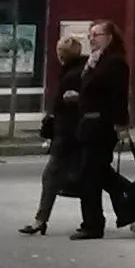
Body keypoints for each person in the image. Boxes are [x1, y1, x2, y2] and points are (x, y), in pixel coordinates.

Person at [67, 19, 130, 239]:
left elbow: (118, 95)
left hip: (101, 126)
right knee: (101, 173)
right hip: (88, 124)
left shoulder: (115, 62)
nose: (92, 39)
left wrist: (121, 124)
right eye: (90, 35)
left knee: (90, 176)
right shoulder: (94, 61)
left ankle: (93, 224)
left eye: (97, 35)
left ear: (109, 38)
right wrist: (79, 97)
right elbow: (93, 91)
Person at [18, 34, 86, 236]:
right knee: (99, 177)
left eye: (60, 51)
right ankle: (41, 220)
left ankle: (40, 220)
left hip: (68, 135)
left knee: (51, 176)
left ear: (63, 55)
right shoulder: (77, 70)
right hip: (71, 133)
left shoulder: (72, 74)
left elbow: (67, 105)